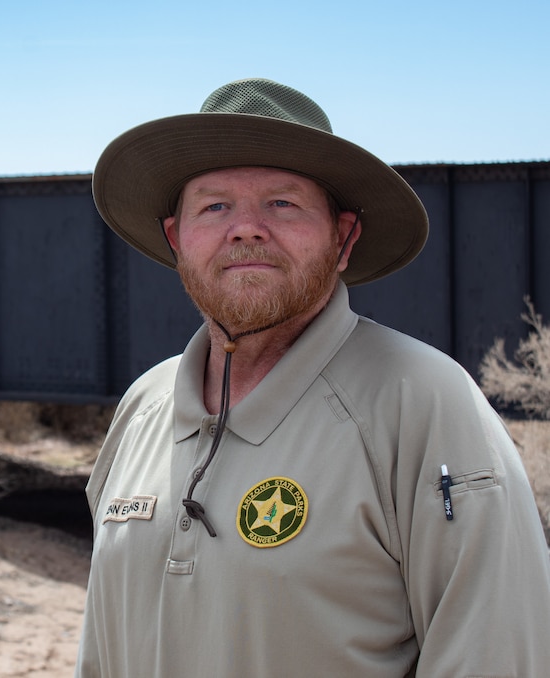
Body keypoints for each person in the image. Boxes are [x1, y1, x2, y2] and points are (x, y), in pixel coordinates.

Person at [74, 78, 550, 677]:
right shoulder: (144, 406)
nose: (246, 228)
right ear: (177, 239)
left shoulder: (423, 401)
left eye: (283, 203)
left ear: (343, 237)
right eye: (215, 205)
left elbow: (497, 658)